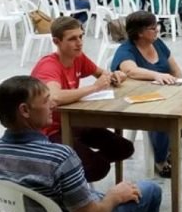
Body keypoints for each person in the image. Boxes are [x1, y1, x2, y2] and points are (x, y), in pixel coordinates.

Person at [0, 76, 161, 212]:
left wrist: (32, 209)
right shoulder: (60, 158)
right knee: (151, 191)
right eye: (46, 101)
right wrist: (114, 196)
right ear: (25, 111)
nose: (53, 105)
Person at [31, 17, 133, 182]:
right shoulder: (49, 66)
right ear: (56, 41)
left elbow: (102, 74)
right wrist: (94, 87)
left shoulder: (78, 57)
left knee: (124, 148)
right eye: (72, 39)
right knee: (97, 168)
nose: (79, 43)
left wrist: (114, 76)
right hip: (49, 130)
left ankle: (72, 172)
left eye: (81, 36)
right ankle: (69, 176)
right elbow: (54, 97)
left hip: (73, 121)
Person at [110, 11, 182, 178]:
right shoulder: (126, 49)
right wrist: (156, 75)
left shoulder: (158, 43)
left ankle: (169, 146)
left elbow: (175, 68)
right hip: (139, 99)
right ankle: (161, 160)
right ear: (139, 32)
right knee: (163, 117)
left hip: (165, 94)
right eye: (153, 28)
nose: (157, 30)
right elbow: (130, 70)